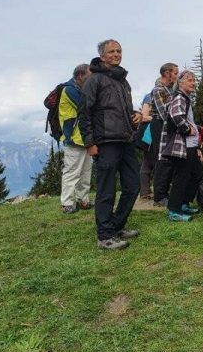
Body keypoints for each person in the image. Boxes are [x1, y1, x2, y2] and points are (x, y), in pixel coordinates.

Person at [78, 39, 142, 250]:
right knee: (106, 190)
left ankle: (116, 226)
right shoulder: (93, 80)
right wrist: (89, 143)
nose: (116, 54)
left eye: (119, 51)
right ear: (102, 56)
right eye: (112, 51)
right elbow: (84, 113)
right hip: (105, 143)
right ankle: (105, 236)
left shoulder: (123, 81)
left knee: (133, 186)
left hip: (126, 140)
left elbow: (124, 110)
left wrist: (136, 116)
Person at [159, 70, 203, 222]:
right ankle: (174, 211)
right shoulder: (179, 97)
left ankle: (184, 203)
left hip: (190, 146)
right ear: (180, 82)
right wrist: (187, 128)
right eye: (189, 80)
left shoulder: (186, 98)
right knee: (181, 177)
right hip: (182, 146)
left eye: (194, 80)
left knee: (196, 174)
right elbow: (176, 115)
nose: (193, 83)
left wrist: (197, 146)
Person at [139, 62, 179, 205]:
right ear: (166, 73)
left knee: (167, 159)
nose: (177, 76)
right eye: (175, 73)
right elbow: (164, 113)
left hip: (168, 125)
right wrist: (179, 122)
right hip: (160, 124)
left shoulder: (169, 90)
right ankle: (159, 196)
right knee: (160, 159)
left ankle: (165, 192)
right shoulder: (158, 90)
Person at [58, 63, 93, 214]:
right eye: (89, 76)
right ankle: (67, 203)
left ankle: (83, 199)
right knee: (72, 171)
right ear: (80, 76)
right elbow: (86, 106)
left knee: (85, 171)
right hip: (73, 137)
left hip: (85, 138)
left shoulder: (79, 89)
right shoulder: (70, 90)